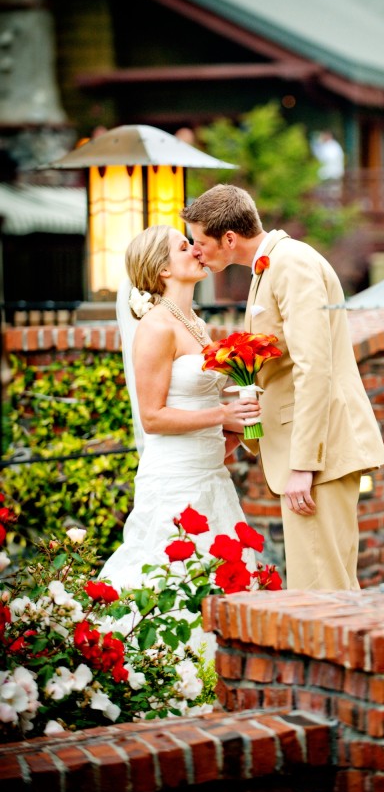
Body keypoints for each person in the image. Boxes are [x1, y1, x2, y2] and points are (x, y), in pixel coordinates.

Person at [181, 185, 384, 590]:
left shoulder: (290, 264)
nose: (196, 251)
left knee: (320, 594)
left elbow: (315, 368)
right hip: (310, 453)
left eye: (199, 241)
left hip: (319, 457)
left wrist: (303, 465)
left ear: (228, 238)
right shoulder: (271, 266)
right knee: (331, 588)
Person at [100, 224, 260, 592]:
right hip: (174, 481)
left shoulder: (197, 325)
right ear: (164, 269)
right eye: (184, 246)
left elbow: (194, 403)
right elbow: (152, 417)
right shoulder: (156, 327)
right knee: (175, 587)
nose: (196, 249)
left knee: (222, 583)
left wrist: (233, 433)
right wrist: (223, 414)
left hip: (212, 476)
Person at [311, 129, 345, 206]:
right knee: (322, 195)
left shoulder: (334, 147)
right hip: (324, 176)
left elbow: (325, 158)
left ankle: (333, 213)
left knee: (333, 195)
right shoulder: (323, 146)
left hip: (332, 175)